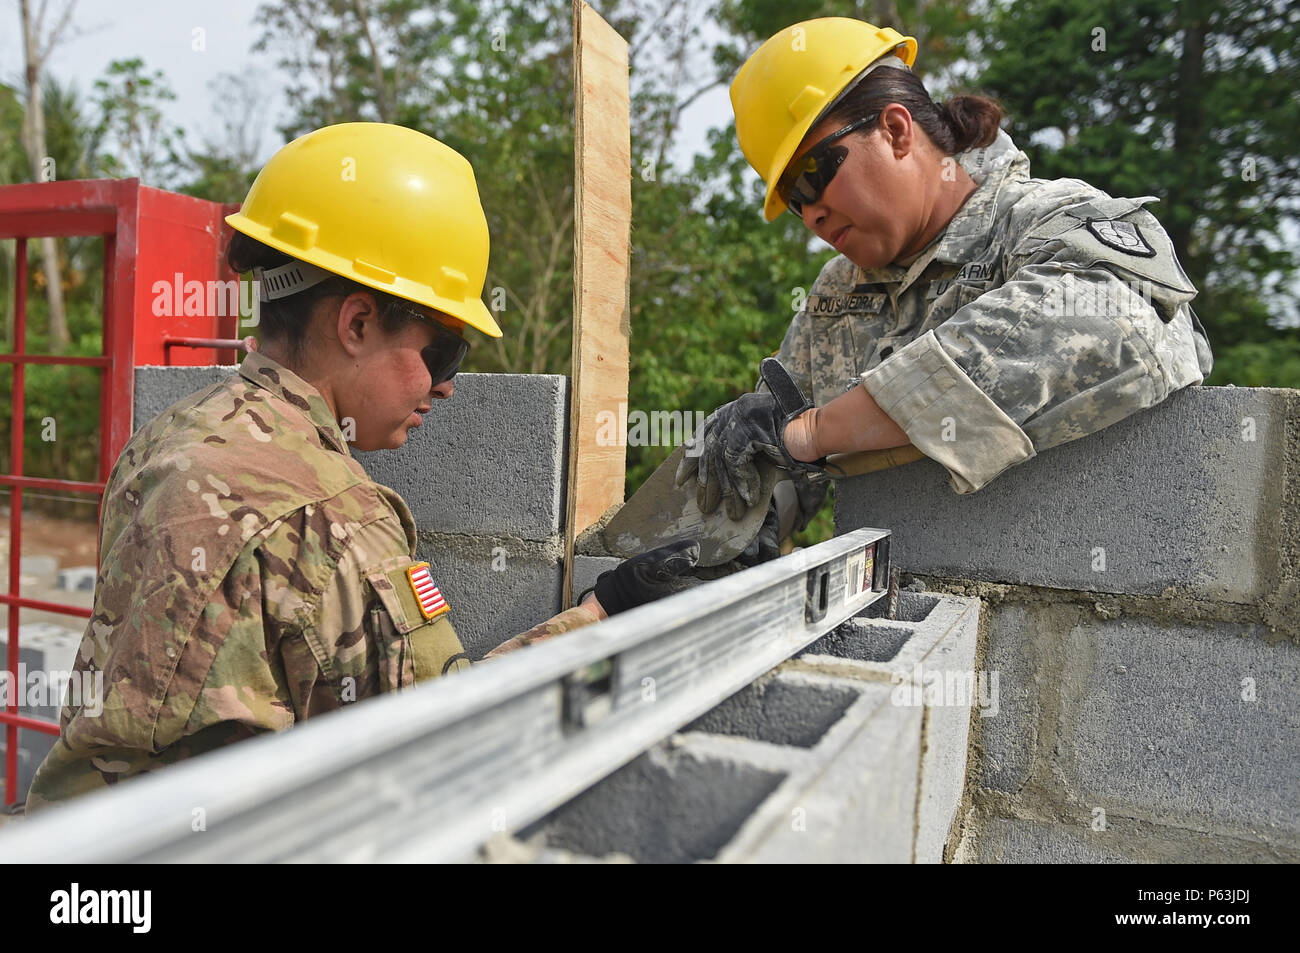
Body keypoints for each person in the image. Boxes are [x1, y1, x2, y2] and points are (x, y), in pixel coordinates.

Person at [26, 123, 695, 811]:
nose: (447, 387)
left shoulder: (163, 438)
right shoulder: (334, 518)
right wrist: (599, 613)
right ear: (358, 324)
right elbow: (447, 742)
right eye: (444, 354)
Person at [678, 17, 1213, 554]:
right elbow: (768, 462)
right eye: (794, 201)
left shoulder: (1044, 219)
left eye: (814, 175)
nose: (812, 214)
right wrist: (737, 528)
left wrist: (817, 431)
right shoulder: (837, 297)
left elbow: (1119, 323)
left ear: (895, 130)